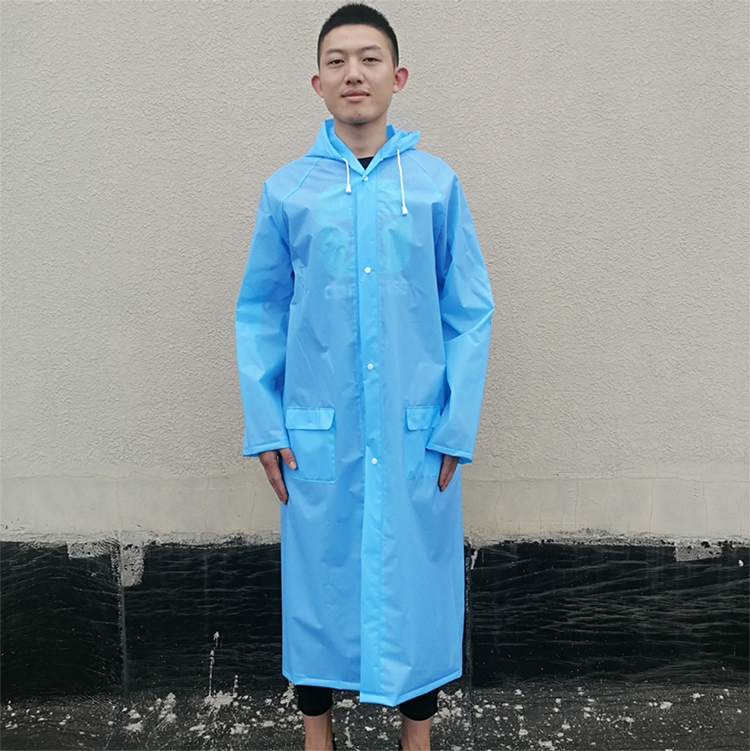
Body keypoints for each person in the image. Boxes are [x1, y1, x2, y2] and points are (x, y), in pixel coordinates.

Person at [235, 4, 494, 749]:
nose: (355, 73)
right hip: (319, 430)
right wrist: (267, 424)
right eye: (338, 60)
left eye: (370, 58)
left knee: (418, 587)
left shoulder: (435, 185)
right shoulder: (288, 191)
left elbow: (469, 310)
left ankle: (419, 738)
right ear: (317, 82)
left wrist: (455, 424)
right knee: (317, 586)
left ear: (398, 77)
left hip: (416, 431)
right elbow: (259, 311)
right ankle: (316, 735)